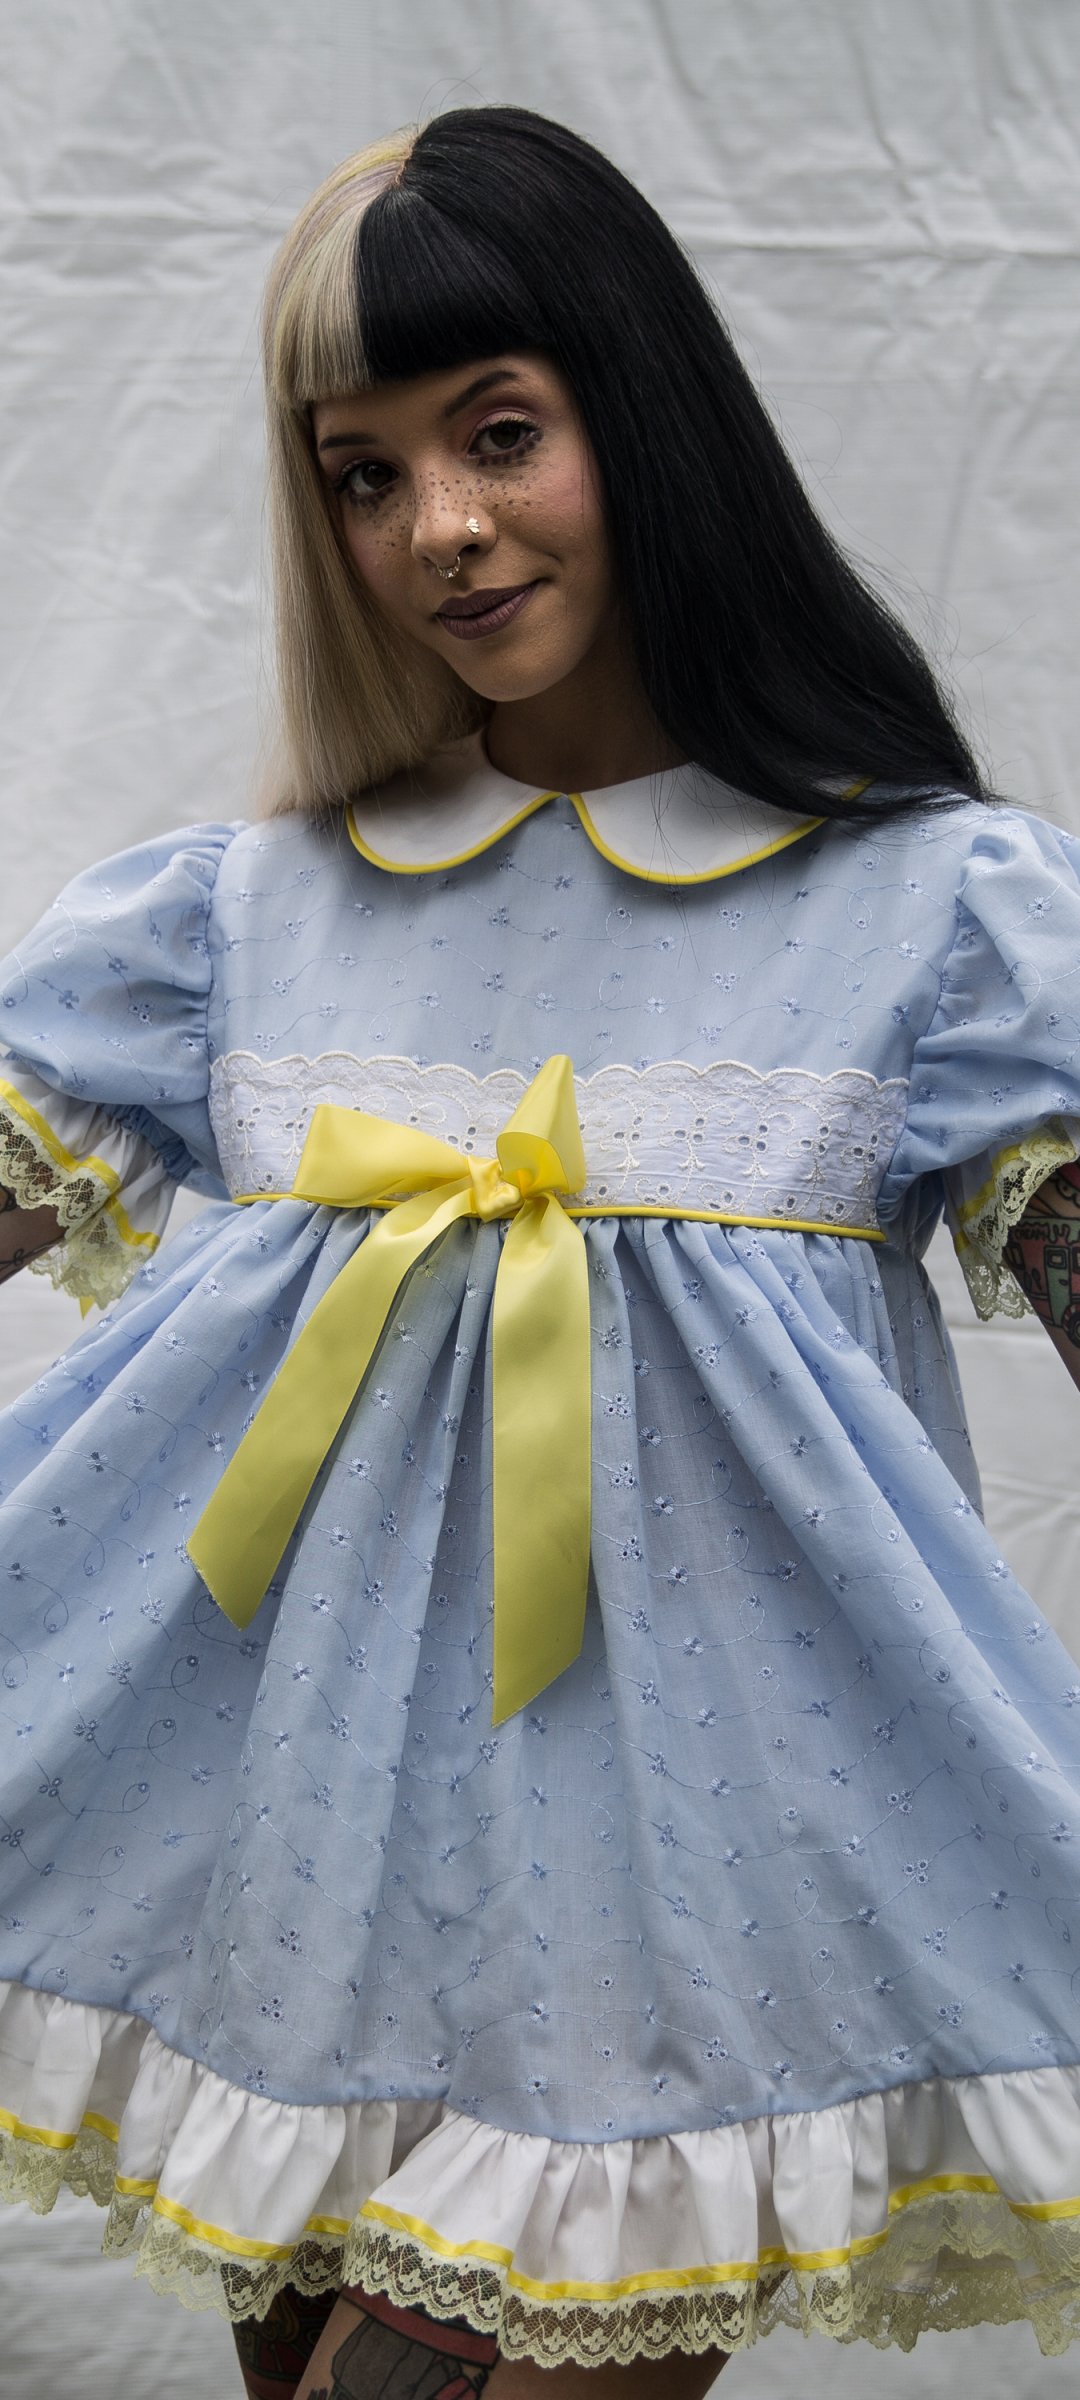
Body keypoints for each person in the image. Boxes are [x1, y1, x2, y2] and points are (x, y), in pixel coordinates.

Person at [0, 103, 1079, 2400]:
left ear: (644, 412)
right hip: (287, 1882)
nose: (439, 529)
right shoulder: (249, 918)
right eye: (364, 474)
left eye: (499, 433)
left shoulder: (923, 912)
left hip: (674, 1920)